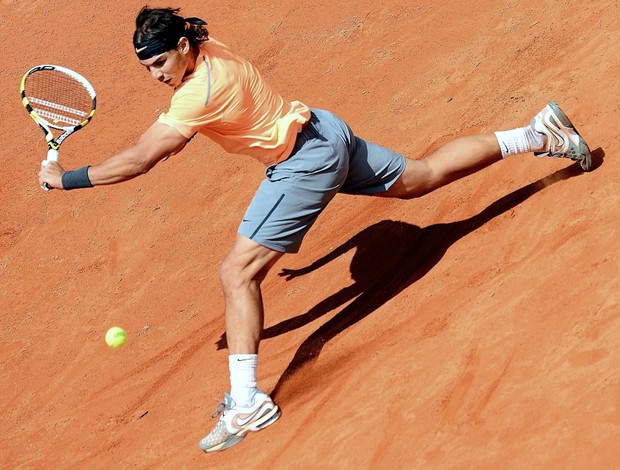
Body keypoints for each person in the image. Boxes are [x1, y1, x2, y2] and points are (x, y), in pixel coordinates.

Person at [38, 7, 592, 453]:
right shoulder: (209, 46)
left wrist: (66, 180)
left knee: (237, 273)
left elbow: (140, 158)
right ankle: (536, 134)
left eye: (159, 62)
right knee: (421, 176)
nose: (156, 76)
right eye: (147, 69)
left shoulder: (196, 94)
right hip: (323, 129)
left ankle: (247, 400)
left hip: (302, 165)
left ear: (182, 47)